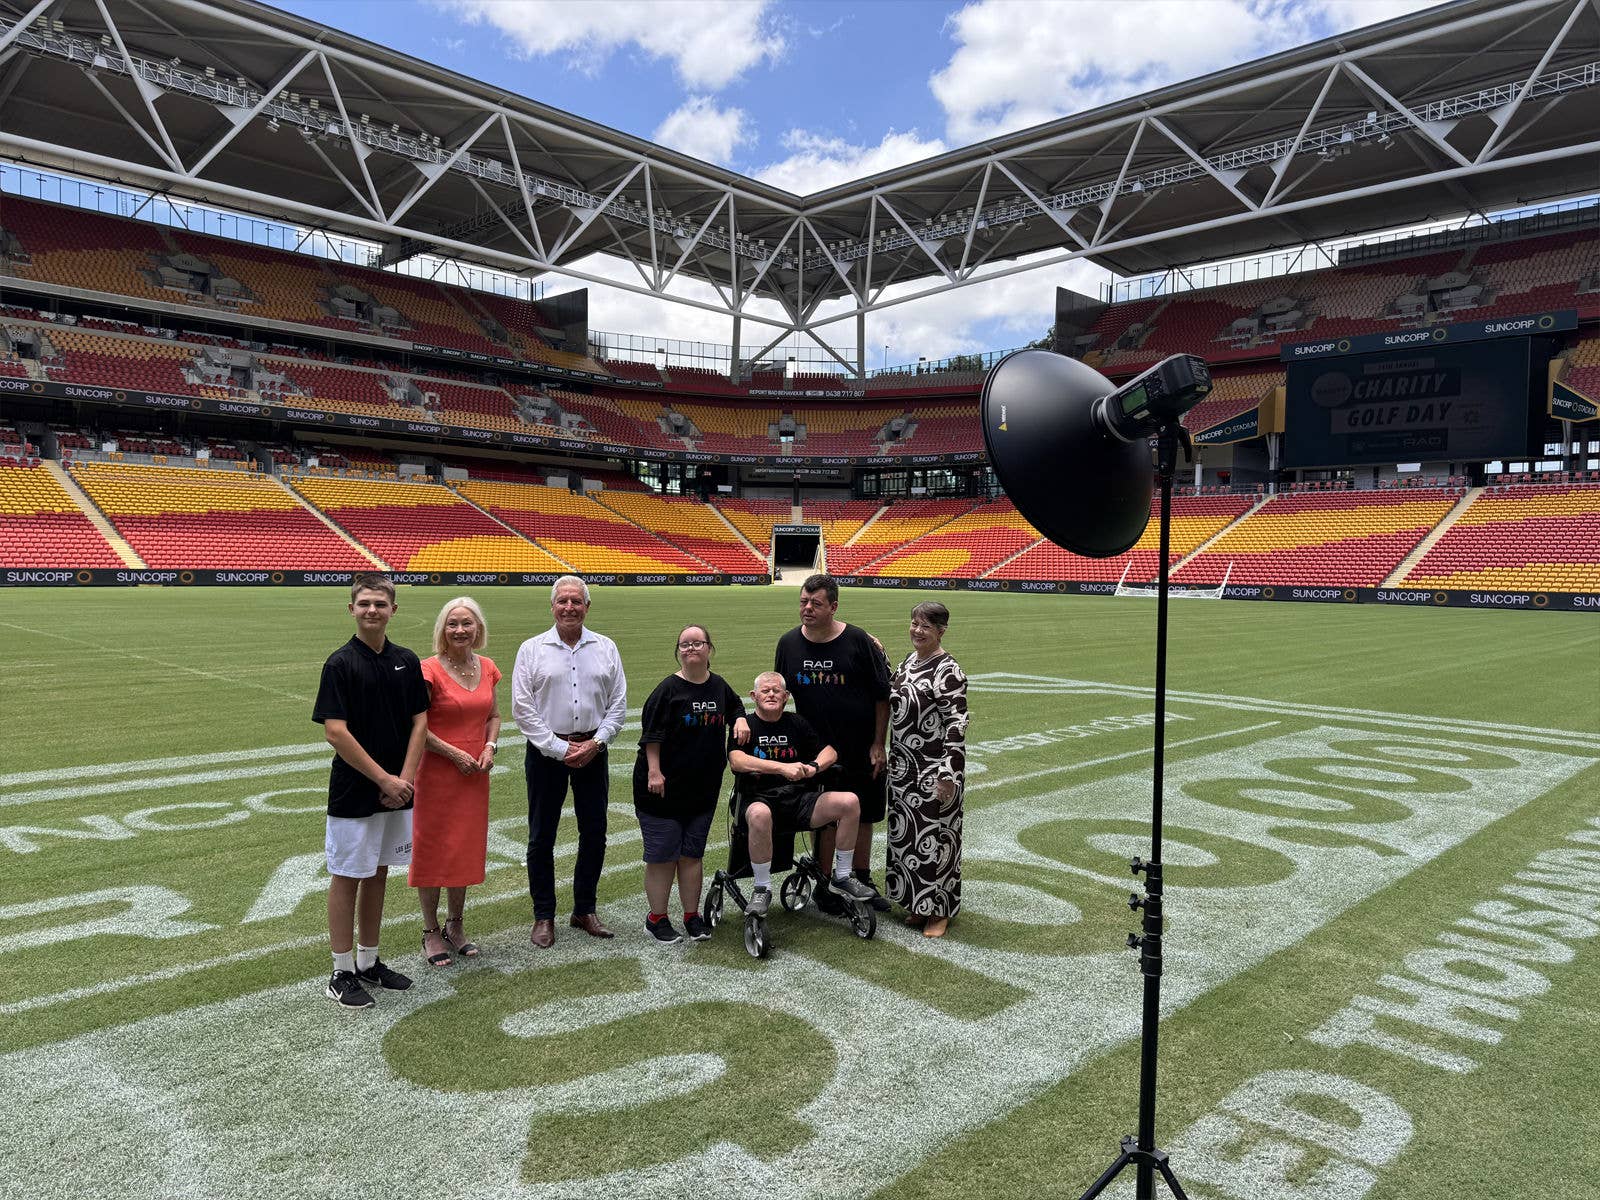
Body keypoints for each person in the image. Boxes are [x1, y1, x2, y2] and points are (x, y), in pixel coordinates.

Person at [312, 573, 429, 1008]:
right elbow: (336, 733)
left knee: (378, 872)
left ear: (393, 610)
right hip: (355, 792)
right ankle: (341, 971)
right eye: (364, 604)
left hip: (398, 789)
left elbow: (420, 721)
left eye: (380, 603)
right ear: (352, 609)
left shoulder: (406, 659)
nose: (372, 610)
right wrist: (385, 780)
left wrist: (406, 780)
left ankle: (369, 961)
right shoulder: (340, 663)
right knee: (347, 876)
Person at [512, 575, 627, 948]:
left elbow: (618, 704)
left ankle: (584, 909)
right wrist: (561, 750)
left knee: (594, 833)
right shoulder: (531, 649)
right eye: (562, 601)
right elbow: (523, 710)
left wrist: (596, 742)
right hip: (546, 753)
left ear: (587, 607)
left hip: (593, 751)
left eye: (576, 601)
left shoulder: (606, 647)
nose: (569, 607)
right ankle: (543, 915)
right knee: (541, 836)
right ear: (552, 606)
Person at [773, 573, 891, 912]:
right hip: (816, 751)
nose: (807, 608)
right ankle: (825, 886)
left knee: (865, 812)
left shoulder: (857, 641)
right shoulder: (788, 644)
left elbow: (882, 697)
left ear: (833, 606)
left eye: (816, 603)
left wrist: (878, 743)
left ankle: (863, 878)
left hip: (861, 745)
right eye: (803, 602)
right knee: (823, 815)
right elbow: (781, 695)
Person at [633, 624, 750, 944]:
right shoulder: (666, 691)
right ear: (678, 652)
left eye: (697, 643)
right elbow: (651, 737)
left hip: (702, 787)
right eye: (684, 644)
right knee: (662, 855)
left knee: (691, 854)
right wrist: (654, 773)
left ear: (709, 649)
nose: (691, 648)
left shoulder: (718, 686)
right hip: (662, 787)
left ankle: (692, 915)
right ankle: (656, 918)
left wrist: (739, 718)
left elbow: (735, 705)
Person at [728, 672, 879, 917]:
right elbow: (737, 760)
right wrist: (782, 767)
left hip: (798, 801)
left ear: (786, 697)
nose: (772, 695)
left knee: (849, 801)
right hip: (760, 800)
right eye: (765, 691)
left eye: (777, 691)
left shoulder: (797, 722)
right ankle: (762, 888)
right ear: (754, 696)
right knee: (759, 814)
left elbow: (829, 751)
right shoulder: (745, 726)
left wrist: (813, 768)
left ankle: (841, 876)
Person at [412, 596, 501, 967]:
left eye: (467, 623)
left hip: (474, 776)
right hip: (436, 773)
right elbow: (417, 726)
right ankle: (431, 930)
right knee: (434, 850)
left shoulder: (488, 667)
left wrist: (490, 746)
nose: (460, 630)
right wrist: (454, 753)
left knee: (464, 849)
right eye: (453, 624)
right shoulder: (427, 669)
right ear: (442, 630)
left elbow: (493, 715)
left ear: (478, 628)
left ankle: (456, 925)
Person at [885, 602, 969, 938]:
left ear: (941, 630)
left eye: (926, 626)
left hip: (935, 770)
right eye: (914, 623)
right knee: (907, 838)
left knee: (937, 840)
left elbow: (957, 725)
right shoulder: (908, 661)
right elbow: (891, 691)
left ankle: (940, 911)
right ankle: (919, 905)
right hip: (904, 767)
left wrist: (949, 774)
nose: (917, 631)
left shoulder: (949, 671)